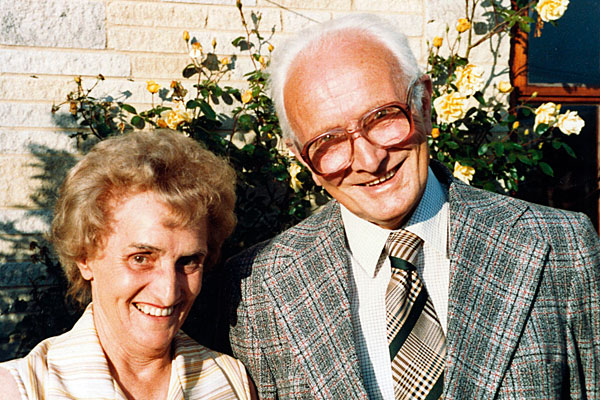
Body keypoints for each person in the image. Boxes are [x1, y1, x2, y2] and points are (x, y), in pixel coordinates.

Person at [222, 13, 600, 399]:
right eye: (330, 141)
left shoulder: (562, 249)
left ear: (423, 102)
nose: (369, 160)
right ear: (303, 161)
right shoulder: (256, 292)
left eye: (382, 117)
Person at [0, 130, 256, 399]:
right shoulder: (22, 389)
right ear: (84, 257)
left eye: (188, 261)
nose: (168, 291)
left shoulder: (232, 383)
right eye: (141, 258)